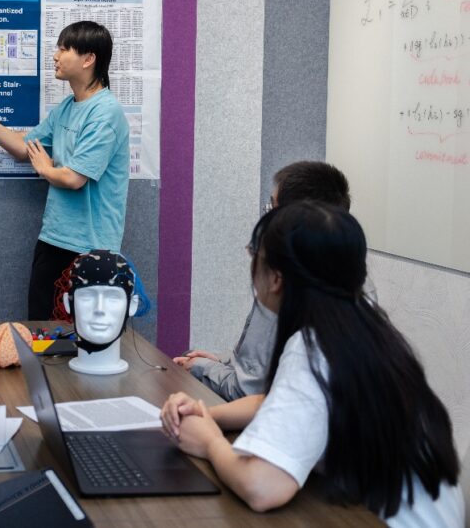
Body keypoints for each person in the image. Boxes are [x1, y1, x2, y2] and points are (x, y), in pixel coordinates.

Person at [160, 202, 464, 525]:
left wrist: (209, 442)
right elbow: (279, 403)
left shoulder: (313, 348)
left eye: (256, 256)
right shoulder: (362, 324)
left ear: (277, 278)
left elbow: (262, 488)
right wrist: (206, 415)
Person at [0, 21, 129, 320]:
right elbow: (24, 148)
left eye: (64, 49)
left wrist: (47, 169)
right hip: (54, 238)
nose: (55, 56)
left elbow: (74, 178)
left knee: (82, 339)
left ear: (88, 59)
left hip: (91, 248)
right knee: (42, 332)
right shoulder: (66, 107)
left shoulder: (106, 113)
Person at [174, 161, 354, 400]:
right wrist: (221, 363)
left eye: (272, 205)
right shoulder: (342, 289)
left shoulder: (285, 289)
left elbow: (247, 392)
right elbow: (256, 374)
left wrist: (199, 367)